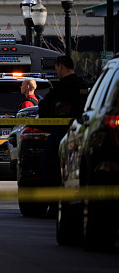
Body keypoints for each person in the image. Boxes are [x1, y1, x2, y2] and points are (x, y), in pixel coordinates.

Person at [37, 55, 89, 212]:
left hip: (61, 134)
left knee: (49, 166)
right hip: (82, 134)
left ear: (60, 66)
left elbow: (44, 107)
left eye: (56, 68)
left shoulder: (61, 88)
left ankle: (55, 206)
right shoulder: (83, 86)